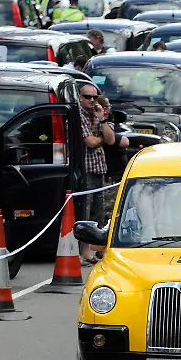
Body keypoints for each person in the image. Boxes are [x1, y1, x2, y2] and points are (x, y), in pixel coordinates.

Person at [79, 82, 115, 263]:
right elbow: (90, 142)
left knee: (97, 212)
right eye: (87, 97)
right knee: (85, 211)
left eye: (94, 97)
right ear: (80, 98)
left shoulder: (97, 115)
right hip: (85, 169)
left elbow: (111, 139)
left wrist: (102, 120)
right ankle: (85, 251)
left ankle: (93, 250)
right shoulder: (80, 116)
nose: (92, 100)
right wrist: (100, 138)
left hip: (99, 169)